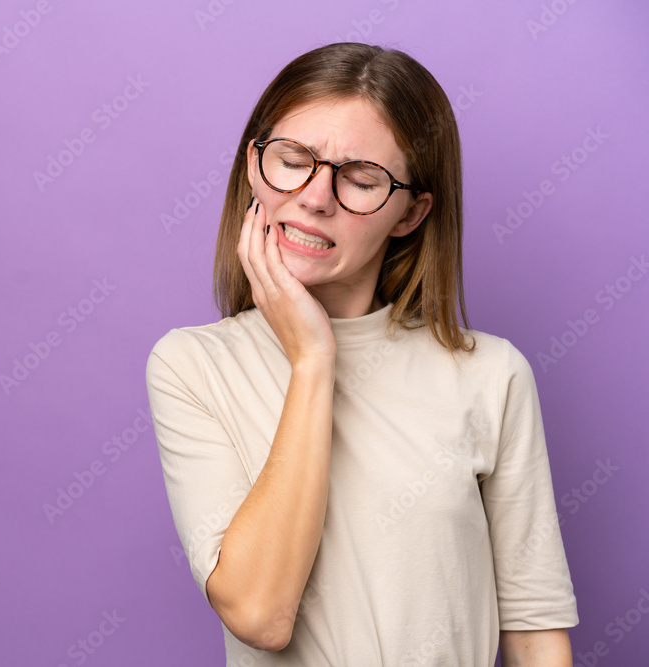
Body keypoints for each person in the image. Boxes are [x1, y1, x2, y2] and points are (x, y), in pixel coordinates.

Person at [145, 42, 578, 666]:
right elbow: (261, 615)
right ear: (253, 168)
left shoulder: (492, 374)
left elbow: (535, 634)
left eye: (361, 179)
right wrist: (313, 360)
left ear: (411, 213)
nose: (316, 198)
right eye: (293, 160)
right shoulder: (191, 367)